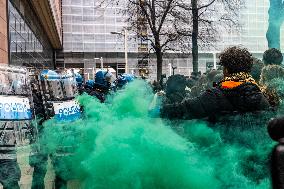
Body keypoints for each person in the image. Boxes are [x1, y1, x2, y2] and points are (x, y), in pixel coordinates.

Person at [154, 46, 270, 120]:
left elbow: (186, 109)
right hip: (251, 153)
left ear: (226, 70)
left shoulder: (215, 95)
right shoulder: (260, 96)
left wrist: (158, 111)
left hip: (220, 153)